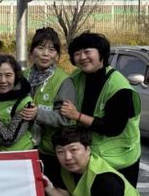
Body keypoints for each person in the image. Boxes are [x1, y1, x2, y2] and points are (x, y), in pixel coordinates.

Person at [60, 32, 141, 186]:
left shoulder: (119, 87)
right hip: (90, 157)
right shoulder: (77, 76)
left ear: (101, 53)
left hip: (120, 161)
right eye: (77, 53)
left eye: (87, 51)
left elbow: (113, 127)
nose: (82, 57)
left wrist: (77, 116)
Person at [20, 28, 74, 178]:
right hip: (24, 147)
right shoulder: (23, 77)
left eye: (51, 49)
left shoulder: (63, 81)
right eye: (40, 48)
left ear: (57, 55)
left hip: (50, 152)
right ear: (31, 51)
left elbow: (65, 119)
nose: (45, 54)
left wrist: (38, 114)